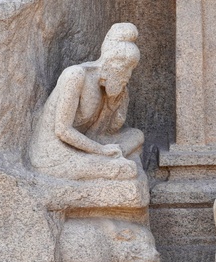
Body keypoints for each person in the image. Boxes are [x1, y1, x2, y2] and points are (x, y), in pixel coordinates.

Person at [29, 23, 145, 181]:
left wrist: (113, 103)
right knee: (127, 169)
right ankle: (111, 158)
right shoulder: (76, 75)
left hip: (88, 142)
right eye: (125, 72)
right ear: (113, 66)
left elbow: (106, 131)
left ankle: (115, 154)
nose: (127, 78)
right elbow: (62, 130)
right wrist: (101, 151)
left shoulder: (109, 87)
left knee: (137, 135)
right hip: (55, 152)